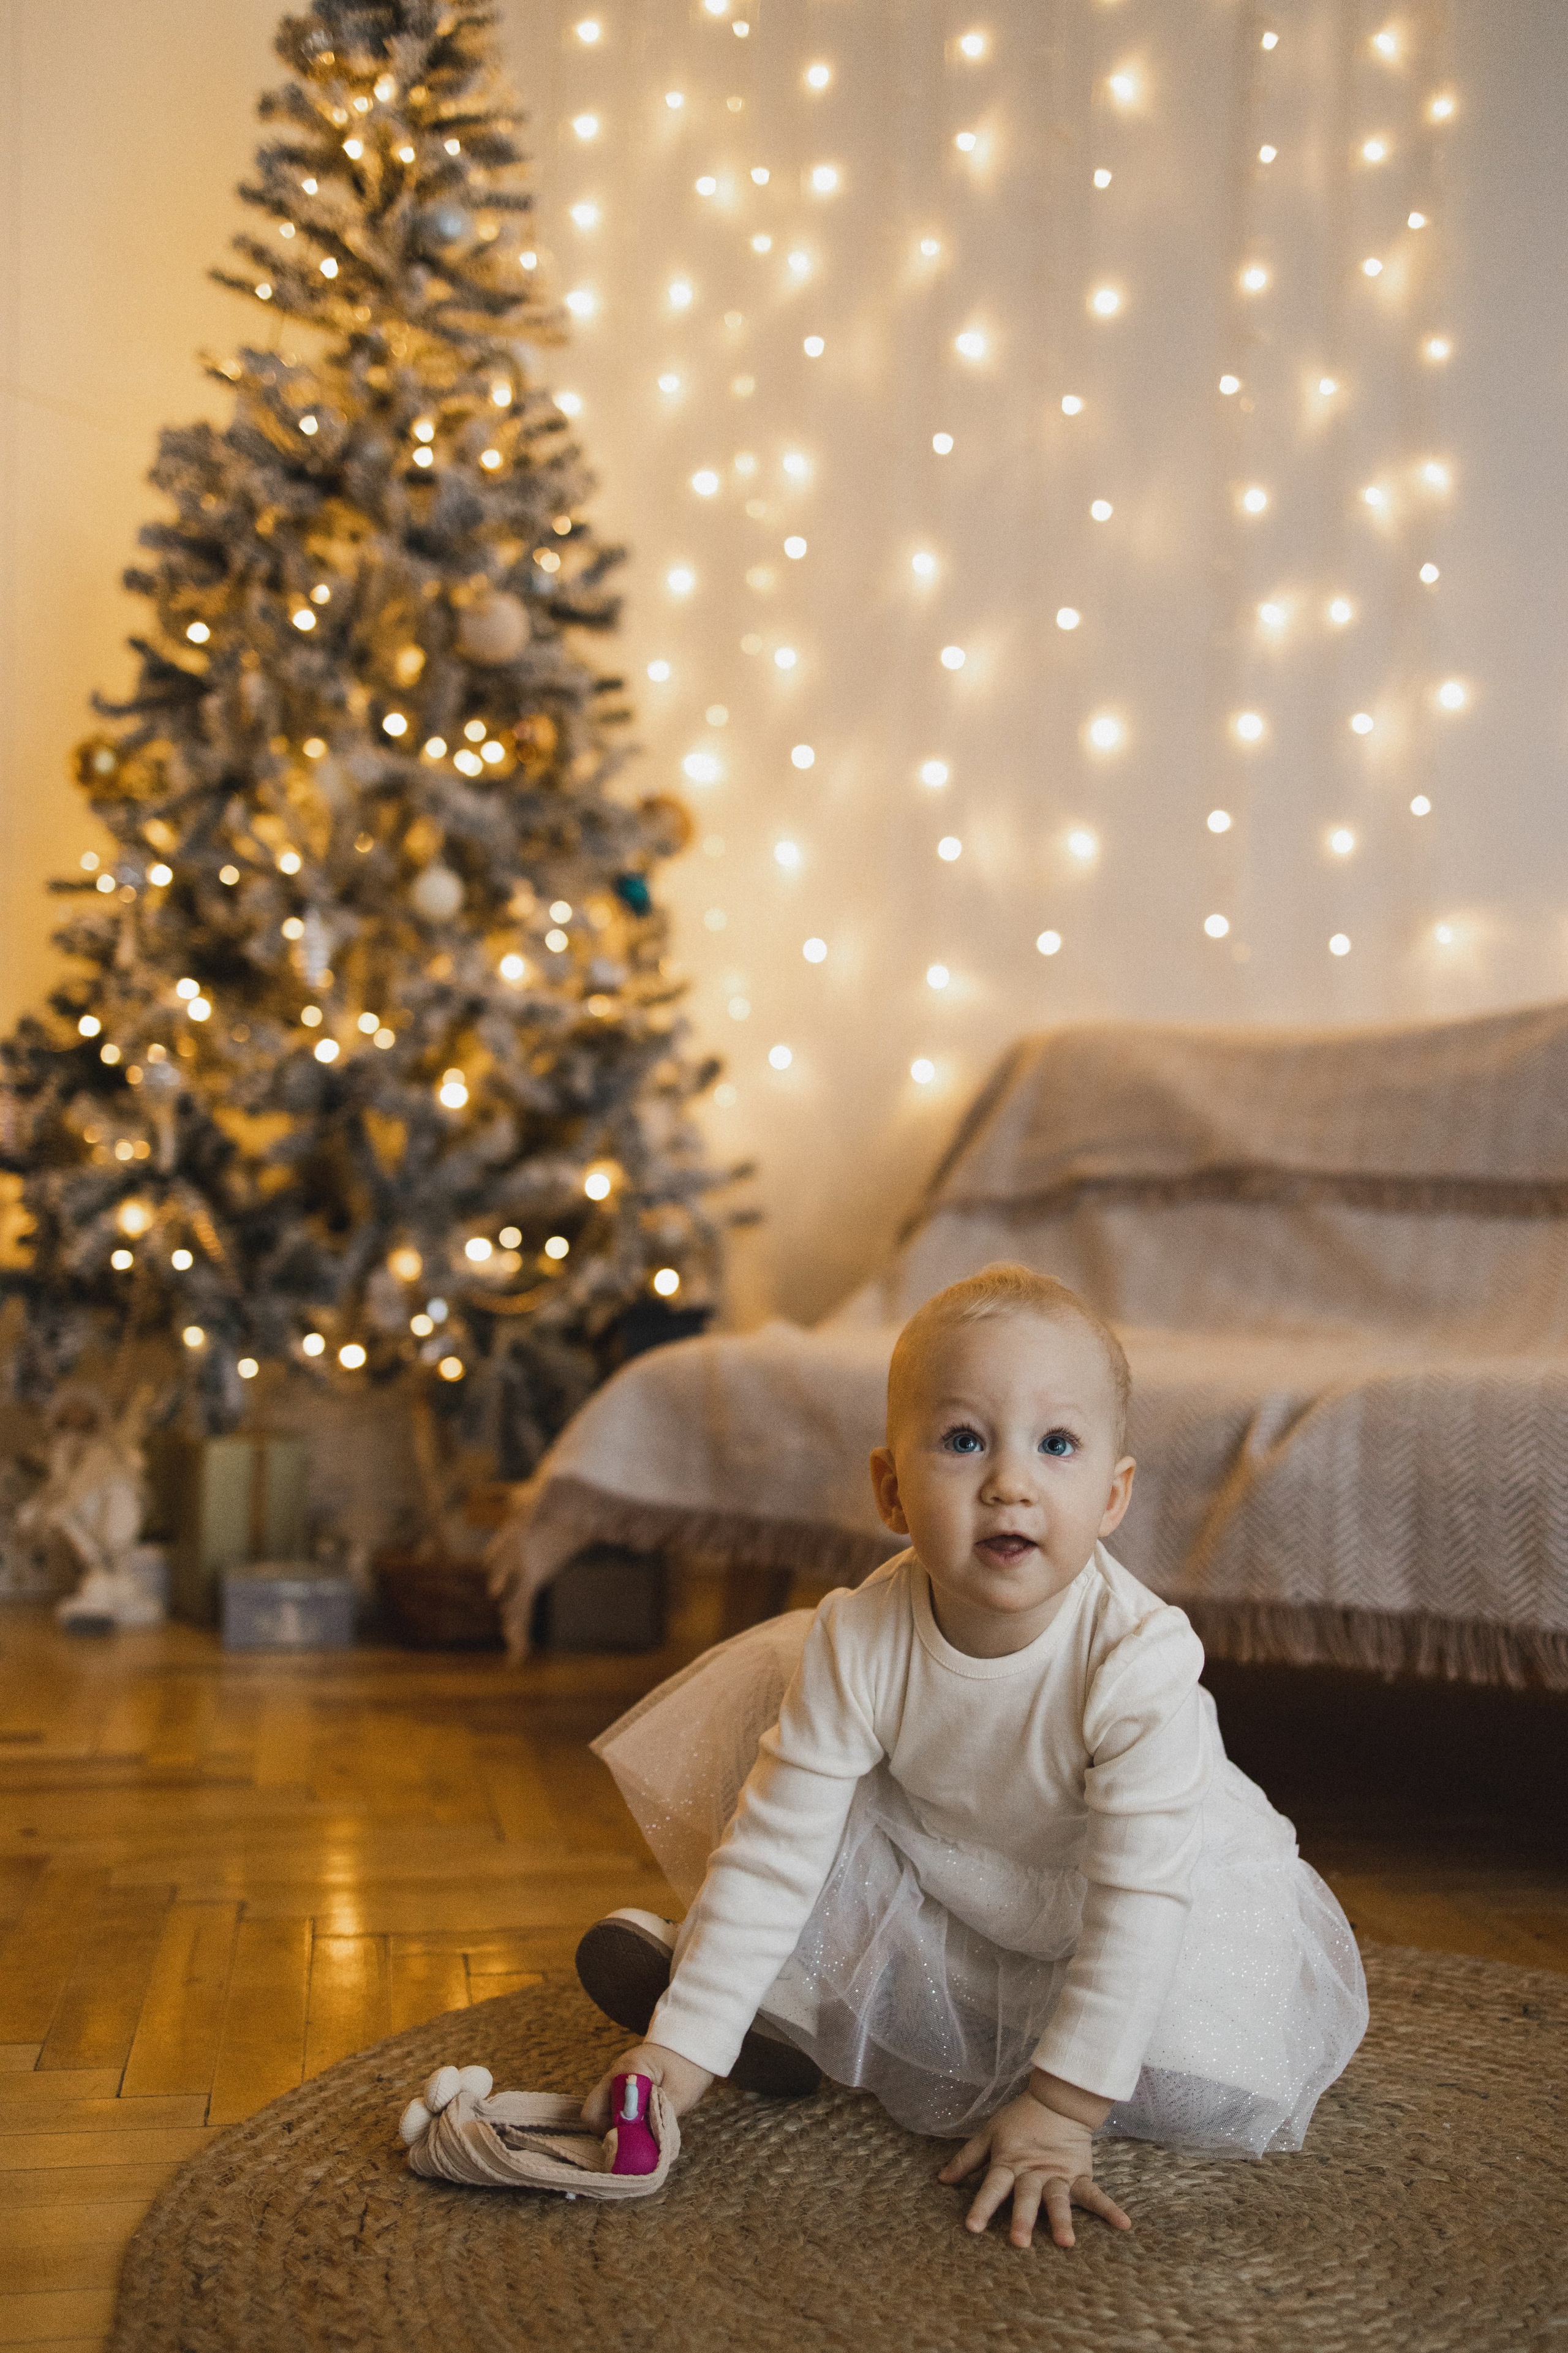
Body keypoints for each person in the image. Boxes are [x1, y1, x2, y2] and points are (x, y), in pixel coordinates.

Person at [576, 1264, 1368, 2249]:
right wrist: (675, 2054)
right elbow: (780, 1849)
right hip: (947, 1852)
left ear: (1114, 1493)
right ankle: (745, 2007)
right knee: (798, 1795)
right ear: (891, 1489)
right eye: (963, 1440)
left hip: (1127, 1893)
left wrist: (1064, 2111)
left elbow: (1136, 1900)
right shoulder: (861, 1639)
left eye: (1058, 1444)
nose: (1010, 1480)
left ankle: (811, 2005)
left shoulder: (1136, 1659)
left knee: (1178, 2058)